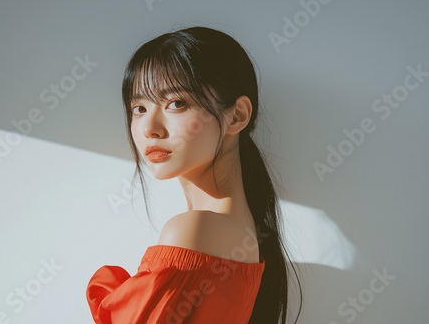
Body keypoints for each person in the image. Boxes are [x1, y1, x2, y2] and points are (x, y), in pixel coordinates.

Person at [86, 25, 303, 323]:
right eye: (138, 107)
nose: (150, 128)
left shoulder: (194, 230)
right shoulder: (244, 232)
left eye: (176, 103)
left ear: (236, 115)